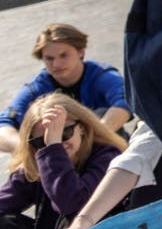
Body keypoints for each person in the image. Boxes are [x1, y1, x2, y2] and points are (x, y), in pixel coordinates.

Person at [0, 94, 125, 229]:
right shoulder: (36, 165)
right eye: (41, 141)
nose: (57, 143)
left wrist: (51, 149)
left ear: (83, 128)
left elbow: (72, 203)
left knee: (74, 218)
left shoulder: (107, 157)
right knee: (6, 223)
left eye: (64, 133)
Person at [0, 24, 131, 154]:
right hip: (60, 154)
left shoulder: (102, 76)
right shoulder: (36, 88)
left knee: (100, 114)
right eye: (49, 58)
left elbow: (126, 101)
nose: (56, 64)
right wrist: (27, 150)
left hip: (104, 146)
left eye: (64, 55)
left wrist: (89, 137)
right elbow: (4, 124)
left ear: (81, 52)